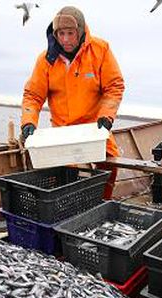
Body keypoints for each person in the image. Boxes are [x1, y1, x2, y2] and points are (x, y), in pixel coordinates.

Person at [20, 6, 125, 199]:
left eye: (71, 33)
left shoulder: (101, 50)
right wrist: (28, 121)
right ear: (55, 34)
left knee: (110, 165)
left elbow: (114, 86)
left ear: (81, 32)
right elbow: (33, 95)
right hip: (63, 131)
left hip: (95, 127)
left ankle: (102, 203)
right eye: (61, 33)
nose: (66, 39)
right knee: (65, 177)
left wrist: (106, 116)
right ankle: (69, 206)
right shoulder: (45, 60)